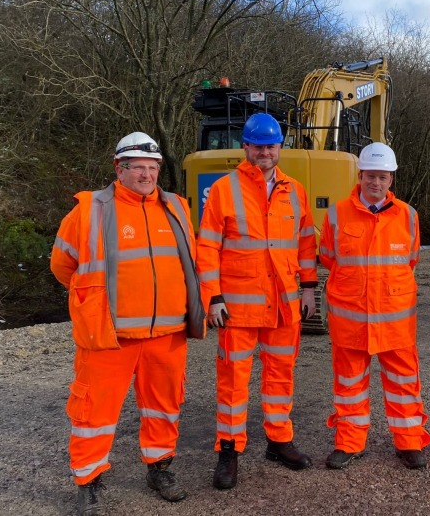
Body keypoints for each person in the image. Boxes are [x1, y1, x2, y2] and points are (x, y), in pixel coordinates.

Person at [50, 132, 206, 515]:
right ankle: (88, 482)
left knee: (164, 407)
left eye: (152, 168)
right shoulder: (90, 211)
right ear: (119, 169)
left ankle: (159, 468)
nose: (146, 175)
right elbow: (62, 265)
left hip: (167, 333)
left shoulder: (176, 207)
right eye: (137, 167)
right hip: (108, 335)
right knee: (94, 413)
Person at [196, 113, 318, 490]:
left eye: (271, 146)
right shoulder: (223, 190)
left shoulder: (294, 190)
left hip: (284, 304)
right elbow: (208, 247)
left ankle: (279, 441)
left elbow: (306, 243)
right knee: (233, 380)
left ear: (279, 147)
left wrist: (311, 288)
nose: (265, 152)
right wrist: (213, 297)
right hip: (238, 306)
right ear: (245, 148)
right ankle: (229, 450)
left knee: (280, 375)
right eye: (258, 146)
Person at [319, 142, 430, 470]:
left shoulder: (408, 216)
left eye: (383, 177)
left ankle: (410, 442)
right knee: (350, 384)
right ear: (361, 175)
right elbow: (328, 257)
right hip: (351, 320)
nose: (376, 183)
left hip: (395, 323)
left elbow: (410, 260)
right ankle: (349, 443)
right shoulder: (337, 214)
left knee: (403, 383)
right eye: (371, 176)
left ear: (391, 179)